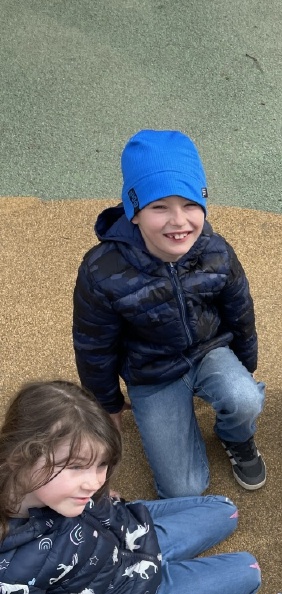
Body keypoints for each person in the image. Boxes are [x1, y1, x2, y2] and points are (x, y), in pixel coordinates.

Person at [0, 381, 261, 594]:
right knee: (249, 572)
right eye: (78, 467)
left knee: (226, 510)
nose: (94, 481)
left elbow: (93, 493)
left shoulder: (55, 489)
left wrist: (101, 500)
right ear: (21, 456)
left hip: (130, 537)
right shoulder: (10, 575)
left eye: (101, 464)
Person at [73, 129, 266, 497]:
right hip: (151, 371)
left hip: (208, 351)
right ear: (134, 212)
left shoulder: (216, 251)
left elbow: (240, 311)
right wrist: (107, 405)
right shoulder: (102, 271)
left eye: (190, 204)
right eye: (159, 207)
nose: (178, 221)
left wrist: (245, 366)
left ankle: (235, 436)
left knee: (245, 398)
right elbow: (93, 346)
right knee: (183, 490)